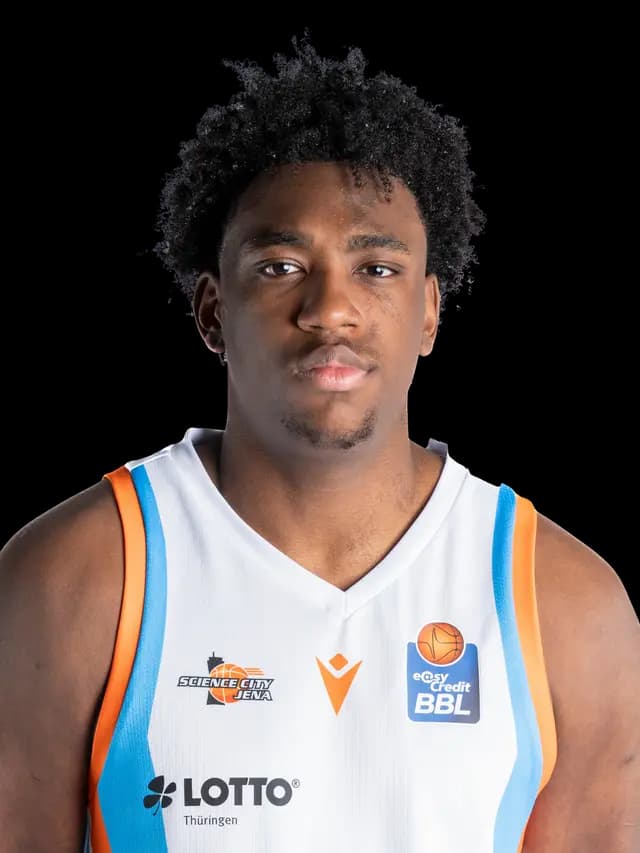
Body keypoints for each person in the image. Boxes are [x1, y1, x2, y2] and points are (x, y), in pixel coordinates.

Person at [1, 32, 638, 853]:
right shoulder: (76, 577)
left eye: (376, 269)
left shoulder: (566, 604)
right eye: (280, 266)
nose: (330, 308)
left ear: (430, 312)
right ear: (211, 312)